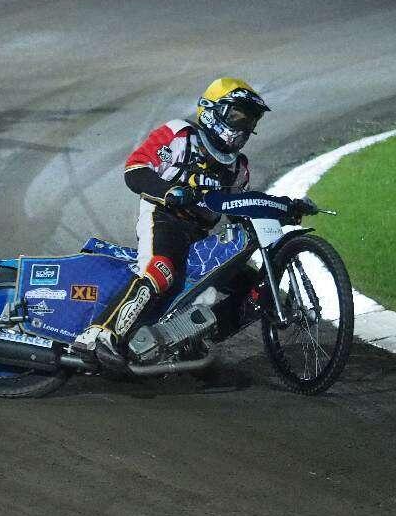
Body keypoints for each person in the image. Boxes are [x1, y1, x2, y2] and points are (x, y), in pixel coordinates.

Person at [72, 78, 273, 367]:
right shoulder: (180, 134)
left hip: (200, 237)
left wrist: (279, 209)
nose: (243, 126)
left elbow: (238, 209)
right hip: (163, 217)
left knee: (259, 290)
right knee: (162, 268)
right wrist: (169, 192)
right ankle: (98, 335)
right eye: (238, 115)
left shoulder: (238, 166)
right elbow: (135, 168)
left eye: (250, 120)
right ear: (212, 109)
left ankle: (190, 342)